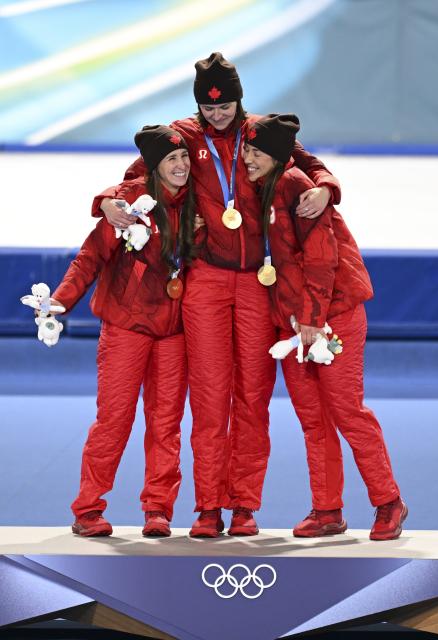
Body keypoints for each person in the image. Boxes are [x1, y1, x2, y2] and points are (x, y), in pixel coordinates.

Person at [91, 53, 342, 538]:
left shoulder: (260, 134)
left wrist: (329, 187)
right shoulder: (185, 134)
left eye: (225, 105)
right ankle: (208, 507)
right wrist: (105, 200)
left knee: (252, 398)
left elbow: (311, 164)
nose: (217, 114)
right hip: (204, 280)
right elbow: (138, 172)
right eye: (209, 108)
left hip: (256, 283)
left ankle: (244, 505)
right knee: (208, 397)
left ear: (238, 98)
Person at [242, 113, 408, 541]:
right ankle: (327, 509)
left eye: (256, 152)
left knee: (348, 412)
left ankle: (389, 502)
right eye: (246, 149)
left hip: (330, 319)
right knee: (313, 420)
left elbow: (321, 259)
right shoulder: (262, 186)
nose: (247, 158)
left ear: (276, 156)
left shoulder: (297, 186)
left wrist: (314, 321)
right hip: (293, 323)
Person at [50, 126, 195, 537]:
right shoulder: (128, 201)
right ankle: (88, 509)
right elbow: (90, 256)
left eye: (184, 158)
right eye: (171, 160)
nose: (182, 166)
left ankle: (158, 509)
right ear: (153, 167)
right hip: (126, 326)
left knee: (166, 423)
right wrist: (62, 300)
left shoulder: (199, 199)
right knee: (113, 420)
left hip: (174, 330)